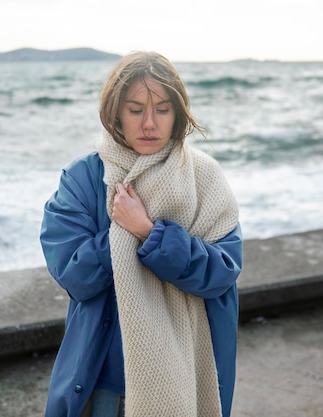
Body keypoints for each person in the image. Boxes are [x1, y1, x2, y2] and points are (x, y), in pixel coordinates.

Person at [40, 51, 242, 417]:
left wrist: (148, 232)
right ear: (115, 112)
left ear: (178, 114)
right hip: (104, 376)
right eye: (135, 110)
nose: (149, 123)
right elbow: (73, 276)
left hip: (184, 374)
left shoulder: (205, 178)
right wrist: (118, 234)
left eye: (162, 109)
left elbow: (222, 273)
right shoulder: (84, 178)